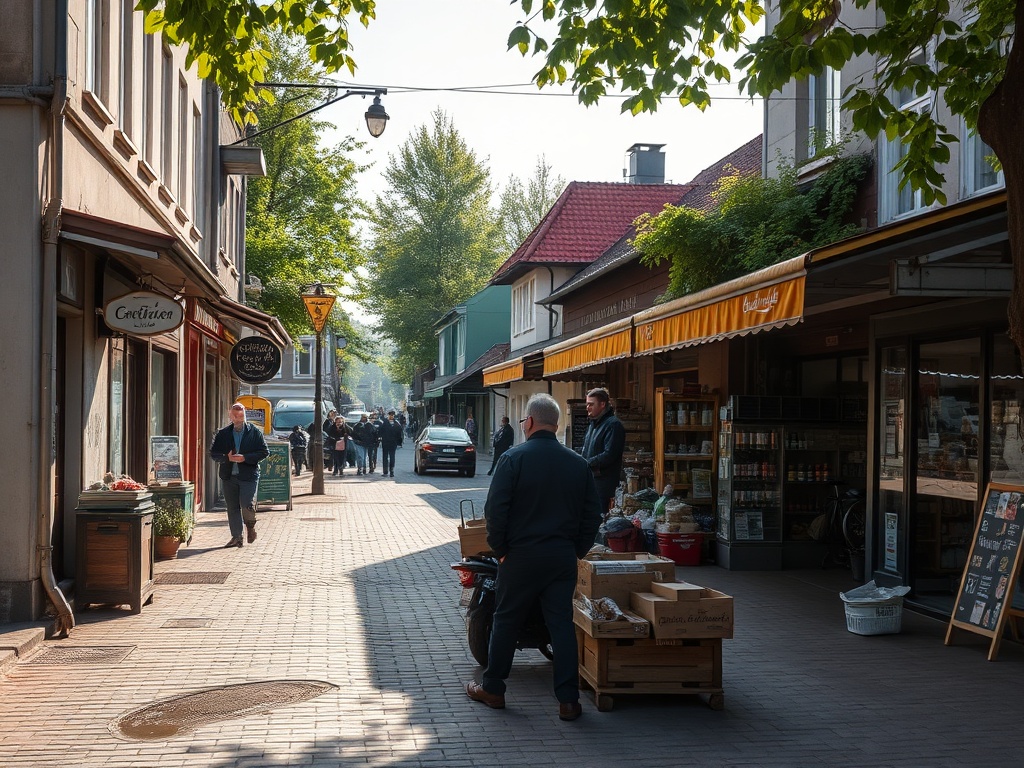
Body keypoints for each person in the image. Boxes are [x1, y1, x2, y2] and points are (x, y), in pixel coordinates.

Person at [466, 393, 602, 721]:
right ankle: (568, 701)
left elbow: (495, 511)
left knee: (506, 620)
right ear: (557, 425)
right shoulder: (578, 464)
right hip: (560, 558)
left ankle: (494, 688)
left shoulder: (514, 459)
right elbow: (593, 517)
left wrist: (501, 551)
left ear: (528, 422)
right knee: (561, 625)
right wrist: (575, 551)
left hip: (520, 557)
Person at [209, 403, 270, 548]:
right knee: (232, 507)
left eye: (240, 413)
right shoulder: (223, 433)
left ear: (245, 415)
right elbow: (213, 453)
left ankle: (250, 526)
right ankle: (237, 537)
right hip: (229, 475)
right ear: (230, 415)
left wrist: (245, 458)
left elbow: (264, 451)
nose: (237, 417)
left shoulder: (254, 432)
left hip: (248, 475)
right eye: (235, 414)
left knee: (246, 504)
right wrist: (226, 457)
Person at [581, 387, 626, 516]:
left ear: (602, 404)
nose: (587, 408)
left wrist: (587, 463)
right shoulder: (593, 425)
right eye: (587, 404)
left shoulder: (613, 425)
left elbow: (609, 454)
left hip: (604, 484)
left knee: (600, 518)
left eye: (591, 404)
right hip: (592, 481)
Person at [378, 409, 404, 478]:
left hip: (393, 443)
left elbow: (400, 434)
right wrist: (380, 439)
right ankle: (385, 471)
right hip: (385, 442)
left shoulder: (397, 424)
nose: (391, 416)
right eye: (390, 415)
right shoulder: (384, 423)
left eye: (392, 415)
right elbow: (380, 431)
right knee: (385, 457)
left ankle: (392, 470)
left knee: (392, 457)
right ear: (388, 415)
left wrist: (399, 443)